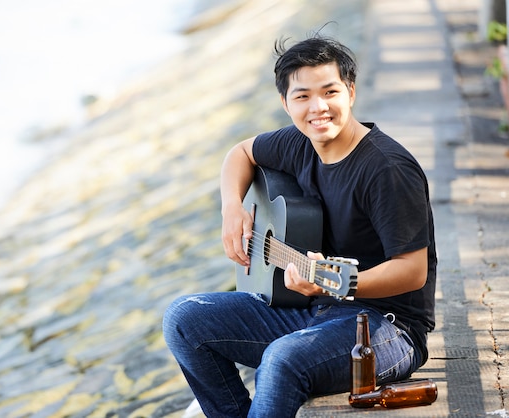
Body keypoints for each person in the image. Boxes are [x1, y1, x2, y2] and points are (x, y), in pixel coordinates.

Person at [163, 33, 437, 418]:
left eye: (330, 92)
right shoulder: (298, 142)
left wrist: (335, 281)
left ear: (351, 92)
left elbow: (412, 272)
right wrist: (232, 210)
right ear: (285, 103)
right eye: (303, 96)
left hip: (386, 329)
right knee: (184, 319)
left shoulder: (387, 170)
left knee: (281, 359)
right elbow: (239, 153)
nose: (318, 107)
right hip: (311, 310)